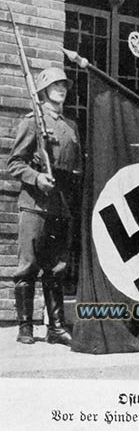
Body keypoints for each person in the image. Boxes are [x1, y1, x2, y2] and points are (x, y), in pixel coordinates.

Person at [7, 67, 82, 345]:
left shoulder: (71, 126)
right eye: (55, 85)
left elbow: (77, 168)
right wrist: (37, 177)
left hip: (61, 205)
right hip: (35, 204)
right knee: (28, 266)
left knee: (57, 267)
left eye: (63, 85)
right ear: (43, 89)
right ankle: (25, 326)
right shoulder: (31, 122)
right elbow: (14, 163)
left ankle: (56, 328)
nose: (61, 89)